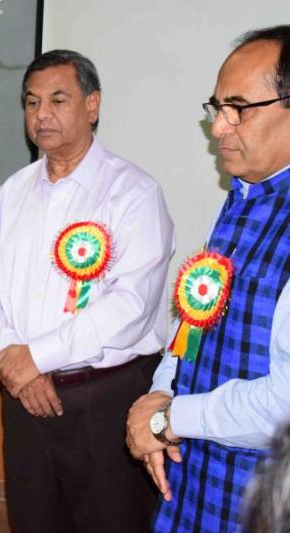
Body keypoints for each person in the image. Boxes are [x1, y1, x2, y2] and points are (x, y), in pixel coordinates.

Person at [0, 49, 175, 532]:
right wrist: (15, 364)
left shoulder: (133, 193)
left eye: (58, 100)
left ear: (92, 105)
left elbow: (131, 306)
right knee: (33, 521)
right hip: (23, 399)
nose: (42, 114)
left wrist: (37, 357)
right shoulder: (9, 194)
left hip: (106, 401)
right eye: (32, 102)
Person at [126, 25, 290, 532]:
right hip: (197, 481)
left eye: (238, 109)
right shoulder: (243, 196)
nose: (219, 127)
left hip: (263, 502)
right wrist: (160, 394)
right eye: (217, 107)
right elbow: (195, 319)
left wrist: (169, 419)